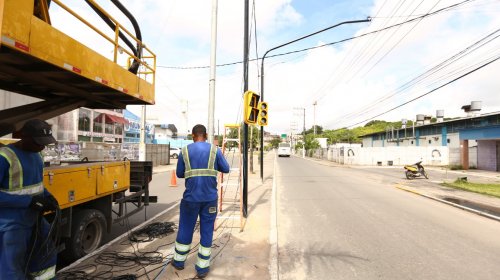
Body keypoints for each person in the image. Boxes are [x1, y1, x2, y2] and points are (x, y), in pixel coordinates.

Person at [0, 119, 59, 280]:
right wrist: (29, 202)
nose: (42, 146)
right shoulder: (5, 156)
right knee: (12, 267)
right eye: (38, 143)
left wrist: (48, 196)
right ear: (24, 137)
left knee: (45, 257)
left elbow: (36, 184)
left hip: (34, 219)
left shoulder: (37, 154)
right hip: (12, 225)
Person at [172, 124, 230, 278]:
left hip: (190, 199)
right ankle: (202, 268)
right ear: (205, 135)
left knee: (185, 228)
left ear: (193, 135)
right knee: (206, 231)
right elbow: (226, 168)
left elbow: (179, 174)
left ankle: (179, 262)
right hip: (210, 199)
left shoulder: (184, 151)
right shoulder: (214, 150)